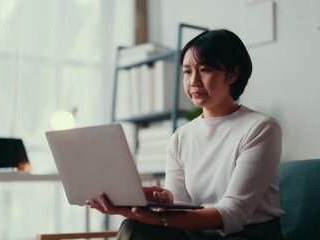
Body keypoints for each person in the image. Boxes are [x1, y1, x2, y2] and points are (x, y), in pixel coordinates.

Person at [86, 28, 284, 240]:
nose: (194, 81)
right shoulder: (181, 137)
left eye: (205, 69)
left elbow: (232, 212)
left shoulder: (261, 128)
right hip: (201, 233)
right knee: (134, 227)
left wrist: (155, 218)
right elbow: (181, 205)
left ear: (233, 74)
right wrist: (164, 200)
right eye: (187, 71)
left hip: (247, 234)